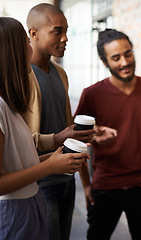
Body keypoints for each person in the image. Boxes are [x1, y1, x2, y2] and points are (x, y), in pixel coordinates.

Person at [25, 4, 116, 240]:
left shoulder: (60, 73)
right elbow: (19, 143)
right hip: (38, 182)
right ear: (33, 33)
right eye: (57, 31)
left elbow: (69, 131)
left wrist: (92, 134)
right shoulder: (21, 78)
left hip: (66, 179)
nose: (65, 38)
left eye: (66, 30)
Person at [0, 16, 88, 240]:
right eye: (25, 44)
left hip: (31, 202)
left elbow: (16, 160)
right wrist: (48, 167)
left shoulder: (9, 106)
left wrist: (51, 159)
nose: (29, 51)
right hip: (15, 212)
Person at [75, 29, 141, 240]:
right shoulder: (91, 94)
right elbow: (77, 141)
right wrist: (87, 185)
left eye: (128, 54)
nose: (125, 62)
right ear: (104, 61)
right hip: (105, 186)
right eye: (116, 58)